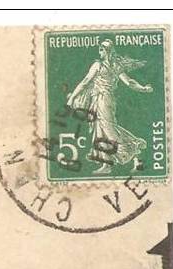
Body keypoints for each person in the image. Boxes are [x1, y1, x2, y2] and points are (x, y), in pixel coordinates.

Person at [66, 40, 155, 174]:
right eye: (99, 50)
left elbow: (85, 82)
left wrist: (73, 97)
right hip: (100, 100)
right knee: (100, 129)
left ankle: (134, 150)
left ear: (108, 51)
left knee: (109, 130)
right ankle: (106, 164)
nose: (100, 52)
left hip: (103, 100)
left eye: (102, 50)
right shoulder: (115, 66)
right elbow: (129, 82)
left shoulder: (99, 65)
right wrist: (143, 88)